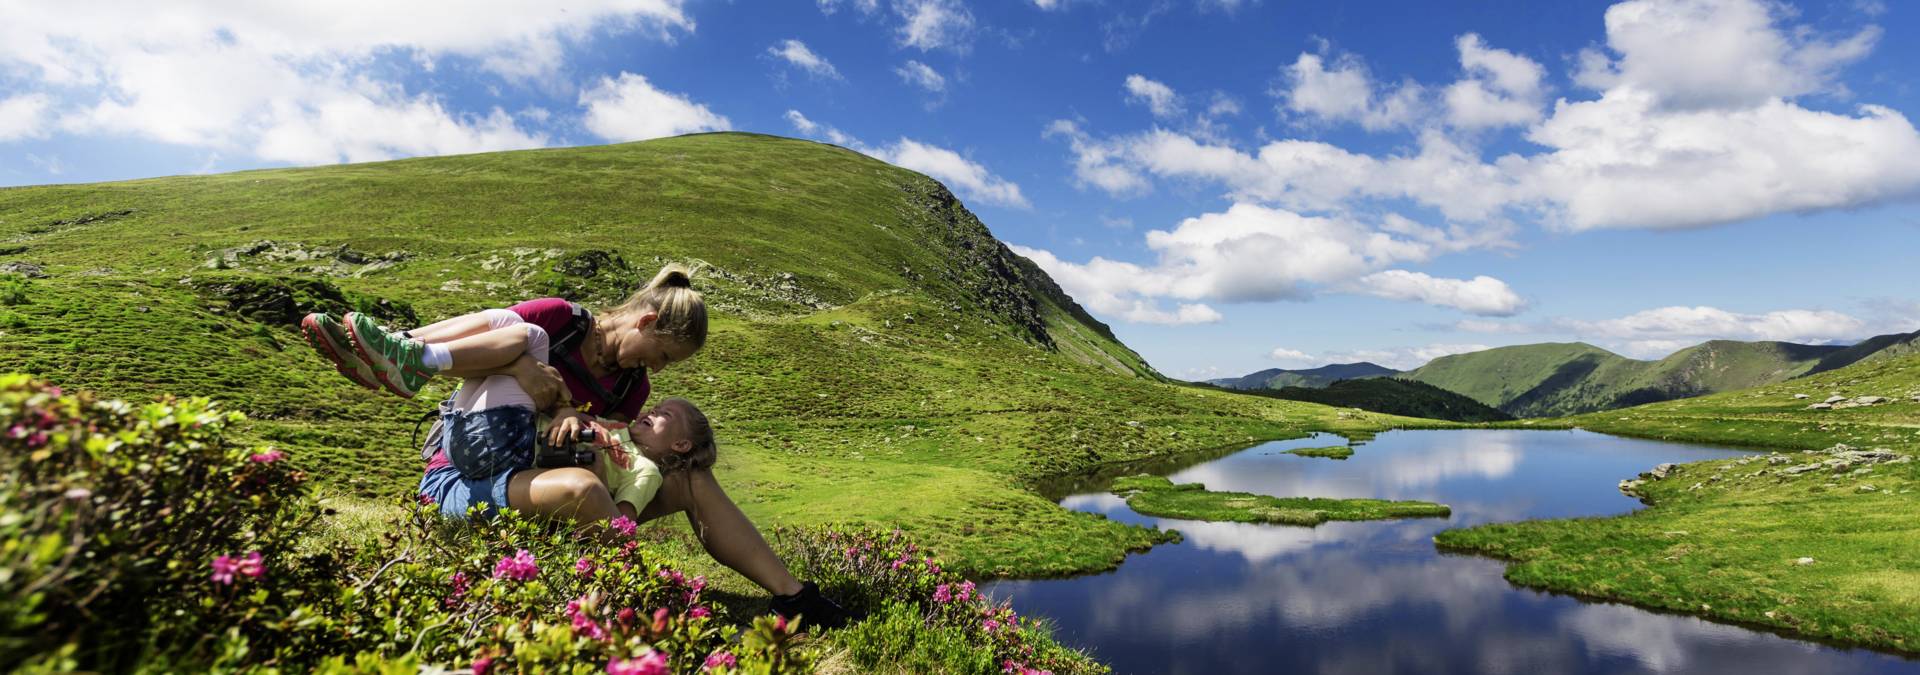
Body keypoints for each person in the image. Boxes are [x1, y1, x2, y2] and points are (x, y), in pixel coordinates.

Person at [299, 265, 851, 628]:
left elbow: (609, 448)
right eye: (660, 355)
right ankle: (400, 351)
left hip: (543, 483)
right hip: (470, 474)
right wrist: (531, 374)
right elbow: (488, 361)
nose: (655, 370)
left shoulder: (634, 389)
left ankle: (792, 595)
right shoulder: (559, 322)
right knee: (518, 335)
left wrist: (569, 414)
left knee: (684, 476)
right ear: (647, 321)